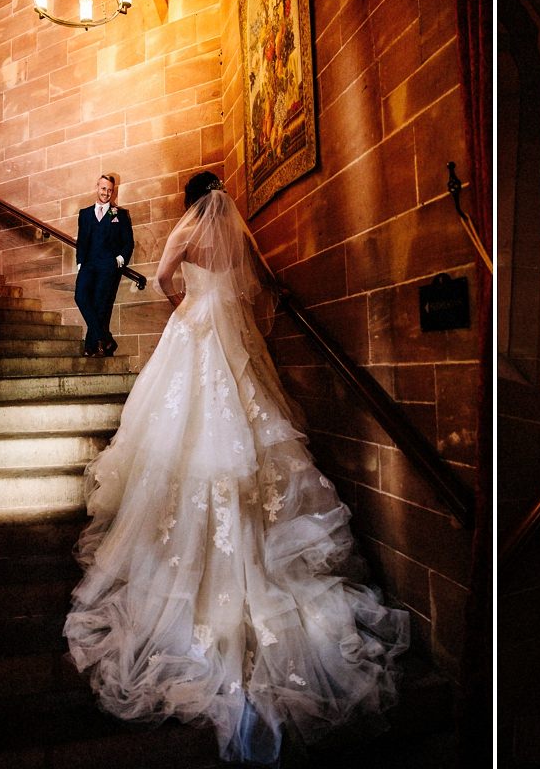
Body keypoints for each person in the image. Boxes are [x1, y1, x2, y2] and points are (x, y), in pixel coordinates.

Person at [64, 171, 409, 766]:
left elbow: (167, 278)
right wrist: (219, 303)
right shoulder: (235, 237)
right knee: (251, 428)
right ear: (221, 199)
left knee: (181, 438)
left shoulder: (186, 231)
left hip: (195, 334)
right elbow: (251, 291)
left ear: (188, 201)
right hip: (232, 341)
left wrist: (189, 305)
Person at [75, 174, 134, 356]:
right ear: (97, 187)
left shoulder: (120, 214)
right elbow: (82, 240)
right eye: (103, 189)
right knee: (80, 296)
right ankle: (106, 339)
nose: (106, 193)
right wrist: (79, 261)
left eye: (110, 190)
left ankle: (91, 345)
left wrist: (121, 258)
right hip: (88, 264)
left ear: (113, 191)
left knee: (100, 304)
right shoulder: (84, 214)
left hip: (108, 266)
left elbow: (128, 242)